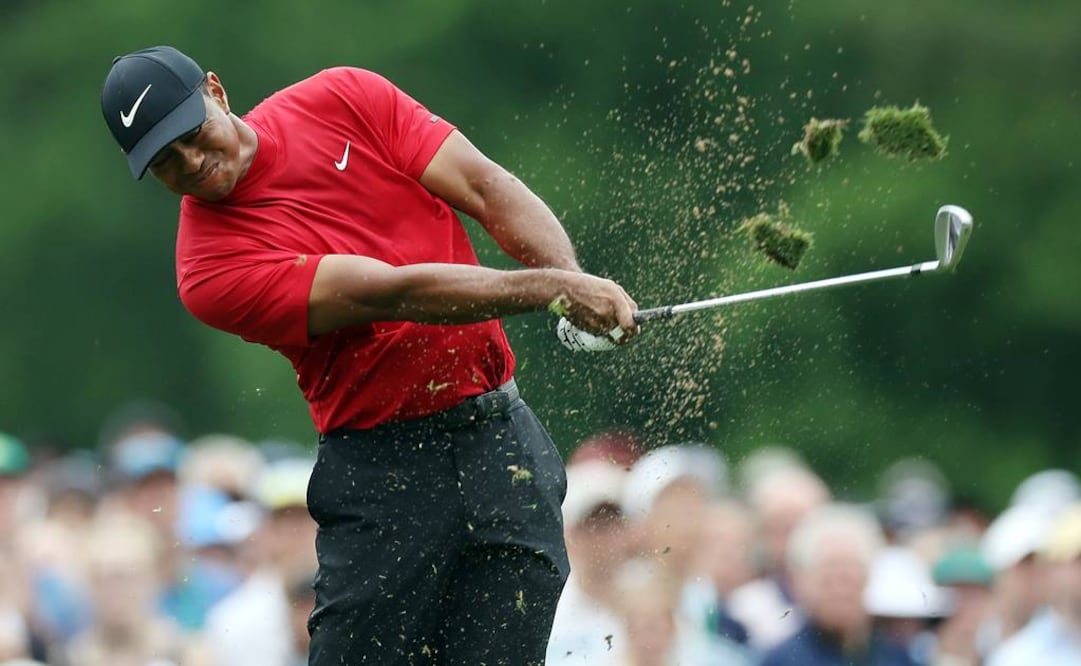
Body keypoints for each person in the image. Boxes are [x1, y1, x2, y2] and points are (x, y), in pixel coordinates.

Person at [100, 45, 639, 665]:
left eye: (193, 135)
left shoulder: (344, 97)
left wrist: (572, 282)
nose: (192, 163)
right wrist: (553, 291)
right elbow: (392, 292)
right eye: (166, 163)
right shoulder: (208, 269)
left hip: (501, 444)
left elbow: (485, 186)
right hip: (384, 477)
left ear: (216, 93)